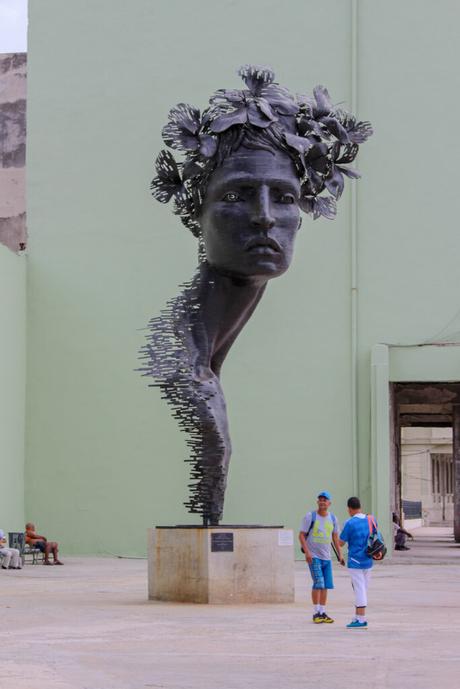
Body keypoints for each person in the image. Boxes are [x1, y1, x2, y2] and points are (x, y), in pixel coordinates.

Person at [299, 491, 344, 624]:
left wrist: (340, 554)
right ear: (317, 502)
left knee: (326, 586)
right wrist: (307, 552)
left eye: (325, 500)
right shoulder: (310, 516)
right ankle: (316, 612)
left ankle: (323, 612)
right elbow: (301, 535)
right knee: (318, 583)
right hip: (314, 556)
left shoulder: (333, 518)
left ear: (329, 503)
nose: (322, 502)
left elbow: (335, 537)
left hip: (327, 557)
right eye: (320, 500)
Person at [339, 496, 376, 629]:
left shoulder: (349, 523)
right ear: (360, 506)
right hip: (369, 560)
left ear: (349, 509)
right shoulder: (371, 519)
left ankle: (361, 619)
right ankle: (357, 616)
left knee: (359, 590)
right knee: (363, 589)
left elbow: (341, 542)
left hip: (355, 561)